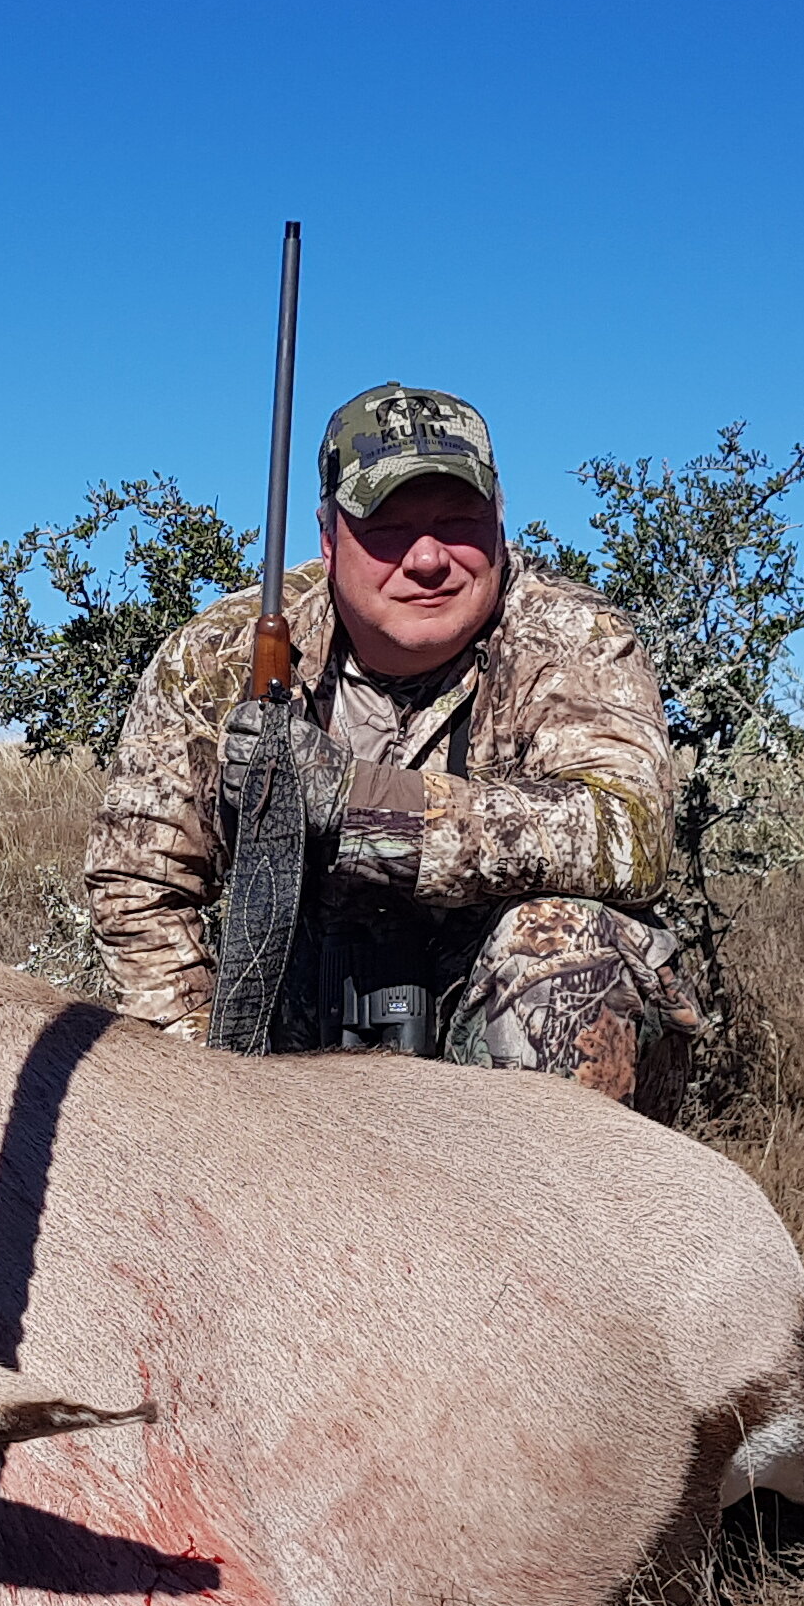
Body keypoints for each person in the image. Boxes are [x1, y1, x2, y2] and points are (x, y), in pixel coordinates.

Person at [82, 381, 704, 1116]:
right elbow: (139, 884)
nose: (429, 557)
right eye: (387, 527)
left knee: (567, 944)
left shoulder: (575, 639)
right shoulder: (218, 656)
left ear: (500, 518)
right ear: (327, 535)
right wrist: (206, 1090)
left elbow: (626, 832)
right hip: (290, 1059)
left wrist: (360, 809)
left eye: (458, 521)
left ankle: (557, 1220)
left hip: (502, 1058)